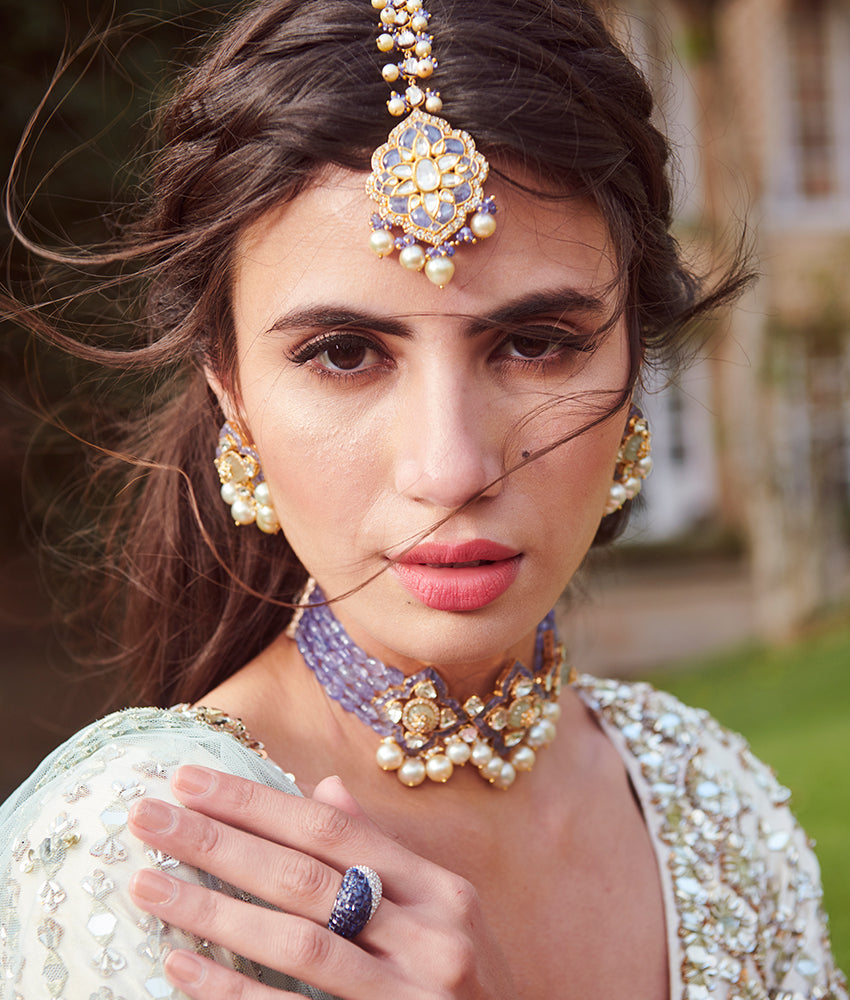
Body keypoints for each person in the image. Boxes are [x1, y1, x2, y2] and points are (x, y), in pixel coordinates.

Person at [0, 0, 846, 997]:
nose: (450, 469)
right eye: (343, 354)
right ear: (229, 388)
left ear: (634, 361)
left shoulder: (714, 801)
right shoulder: (145, 848)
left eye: (534, 343)